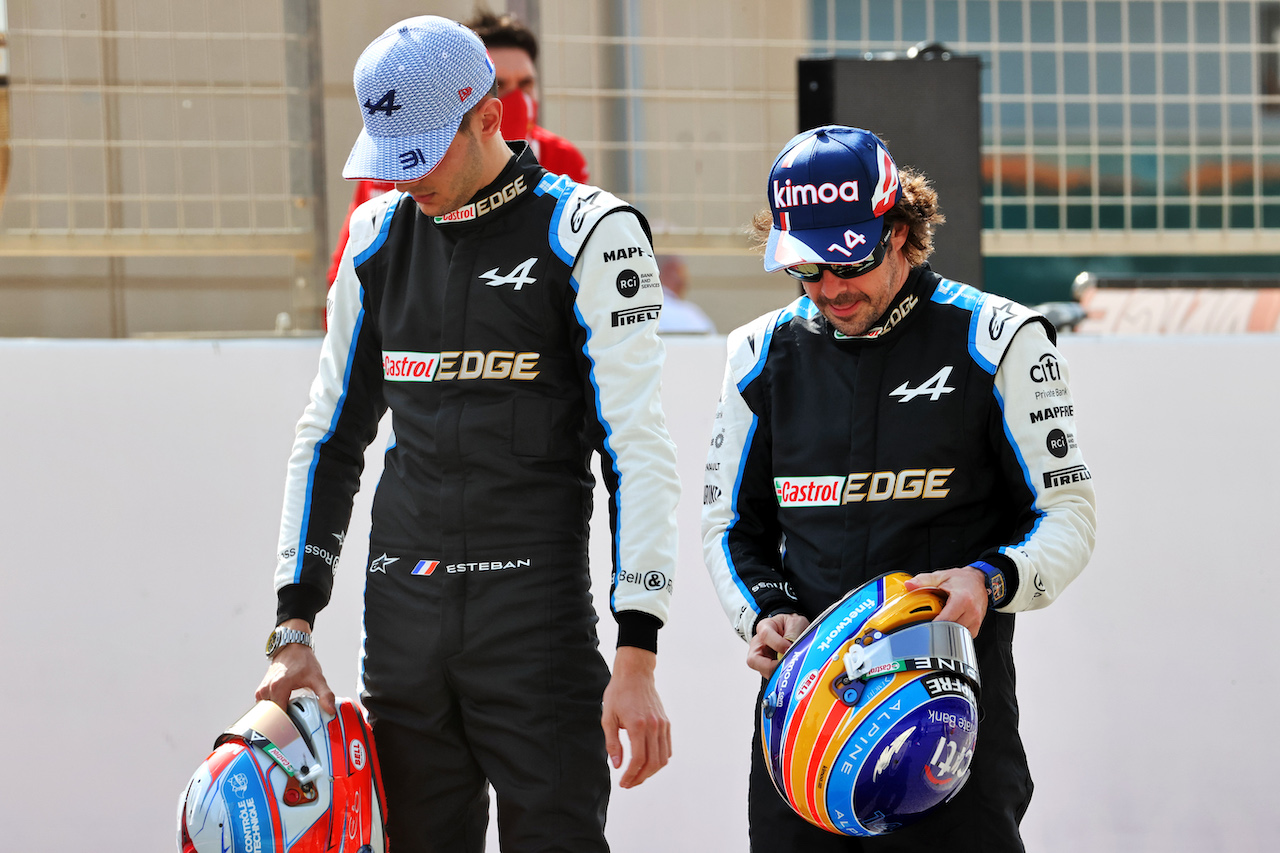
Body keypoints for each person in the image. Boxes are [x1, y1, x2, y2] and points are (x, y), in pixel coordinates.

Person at [258, 16, 679, 853]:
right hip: (403, 625)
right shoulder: (375, 239)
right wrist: (292, 625)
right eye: (391, 155)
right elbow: (329, 438)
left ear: (490, 115)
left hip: (535, 627)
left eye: (422, 151)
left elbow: (638, 449)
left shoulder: (587, 232)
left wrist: (639, 648)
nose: (405, 177)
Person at [701, 125, 1097, 851]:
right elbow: (729, 527)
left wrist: (990, 578)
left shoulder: (999, 338)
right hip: (806, 722)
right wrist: (765, 613)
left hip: (948, 718)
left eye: (849, 261)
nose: (830, 287)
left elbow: (1066, 513)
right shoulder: (758, 355)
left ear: (903, 231)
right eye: (807, 267)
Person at [324, 8, 589, 289]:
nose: (517, 99)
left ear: (489, 118)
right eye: (501, 84)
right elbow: (352, 270)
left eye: (526, 84)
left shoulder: (561, 156)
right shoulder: (389, 156)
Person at [655, 253, 716, 334]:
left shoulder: (642, 310)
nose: (686, 278)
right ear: (671, 270)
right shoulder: (690, 314)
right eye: (681, 270)